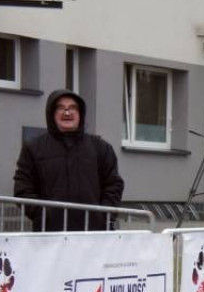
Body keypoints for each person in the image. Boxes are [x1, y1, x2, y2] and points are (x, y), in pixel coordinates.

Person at [13, 89, 124, 231]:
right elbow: (23, 189)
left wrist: (103, 216)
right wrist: (43, 216)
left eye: (73, 108)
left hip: (93, 234)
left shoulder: (100, 148)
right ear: (52, 114)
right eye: (61, 108)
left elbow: (114, 186)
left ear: (80, 113)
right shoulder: (34, 148)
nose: (67, 112)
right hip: (50, 235)